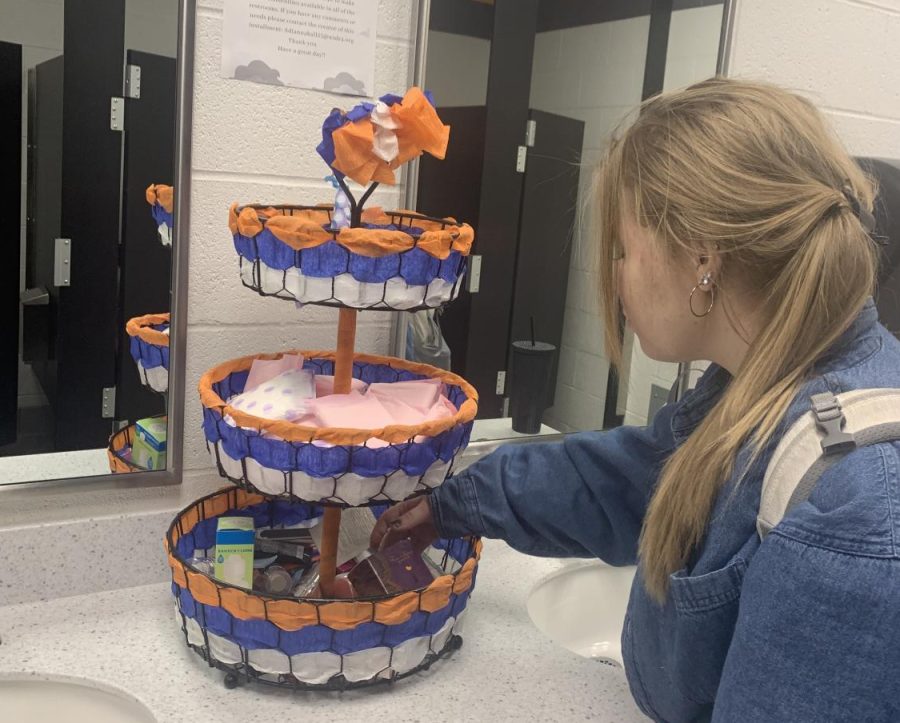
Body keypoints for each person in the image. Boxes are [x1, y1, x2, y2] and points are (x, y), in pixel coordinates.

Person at [371, 78, 900, 722]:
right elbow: (631, 479)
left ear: (702, 258)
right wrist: (456, 503)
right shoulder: (753, 387)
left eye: (623, 249)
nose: (614, 275)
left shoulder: (855, 518)